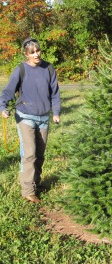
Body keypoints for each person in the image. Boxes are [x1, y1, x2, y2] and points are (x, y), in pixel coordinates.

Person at [0, 38, 61, 204]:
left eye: (38, 50)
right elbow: (8, 91)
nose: (36, 54)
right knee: (30, 153)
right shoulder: (20, 69)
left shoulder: (48, 68)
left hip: (43, 117)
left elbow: (55, 92)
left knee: (39, 155)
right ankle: (27, 191)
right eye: (32, 52)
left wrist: (56, 112)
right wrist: (2, 107)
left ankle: (36, 183)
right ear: (26, 54)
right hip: (25, 116)